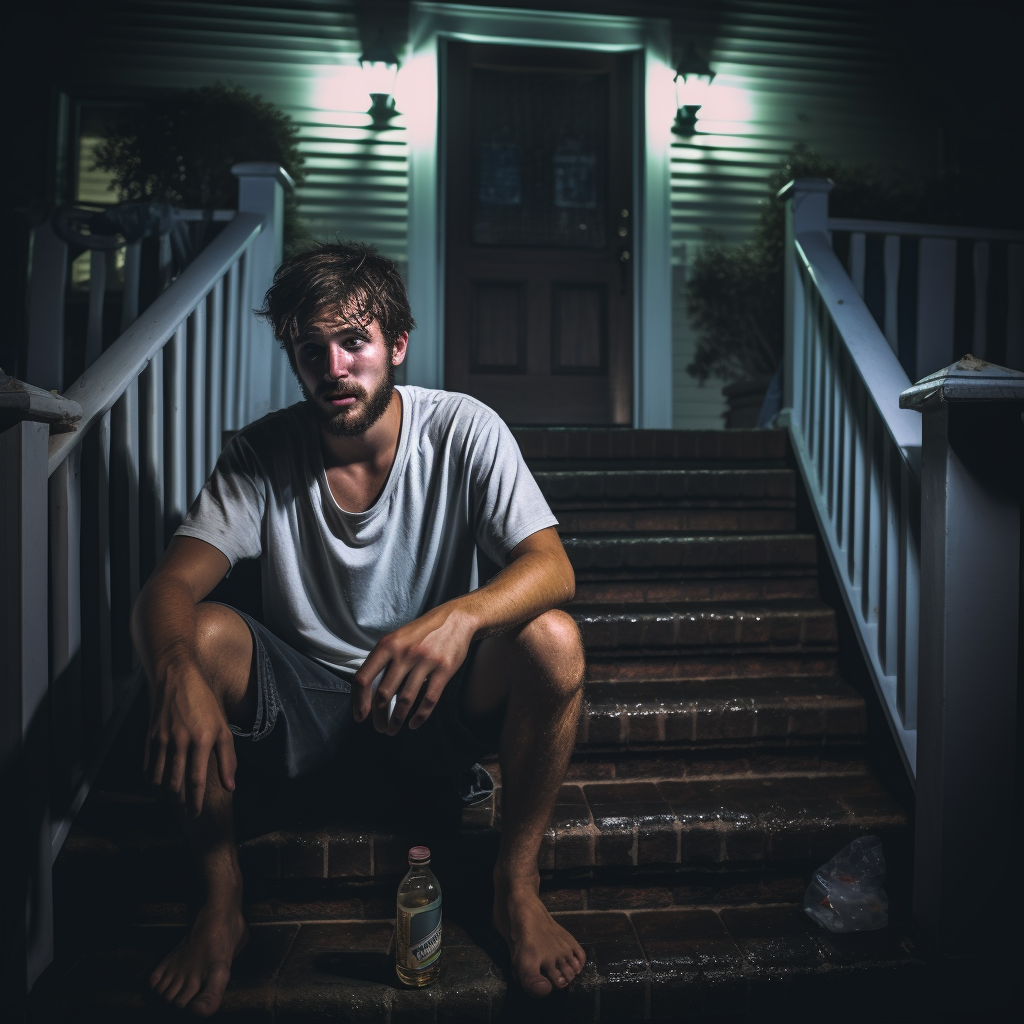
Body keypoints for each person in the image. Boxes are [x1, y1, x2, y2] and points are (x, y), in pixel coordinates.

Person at [131, 242, 588, 1016]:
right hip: (304, 703)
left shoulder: (463, 429)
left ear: (396, 345)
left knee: (553, 639)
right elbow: (171, 584)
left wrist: (458, 616)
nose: (334, 367)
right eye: (312, 351)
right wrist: (175, 672)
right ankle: (220, 899)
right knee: (199, 636)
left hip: (427, 700)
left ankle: (515, 887)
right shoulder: (262, 451)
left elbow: (553, 566)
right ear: (296, 360)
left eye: (354, 342)